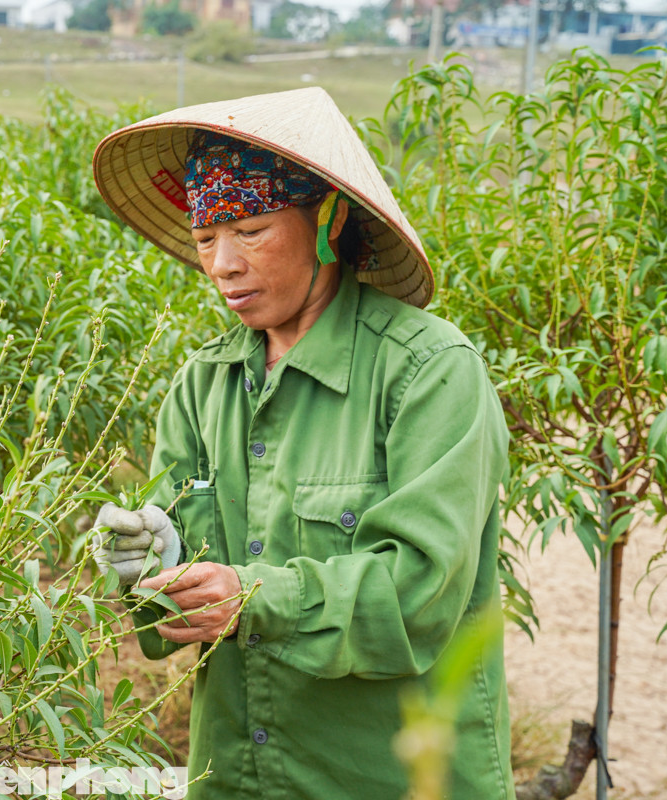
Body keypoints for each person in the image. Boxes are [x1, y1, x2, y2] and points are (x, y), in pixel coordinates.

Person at [88, 88, 516, 799]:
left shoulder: (427, 372)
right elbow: (177, 583)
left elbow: (420, 591)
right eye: (204, 239)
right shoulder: (205, 385)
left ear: (328, 223)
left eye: (250, 229)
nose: (222, 264)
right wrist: (141, 564)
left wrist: (254, 596)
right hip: (238, 775)